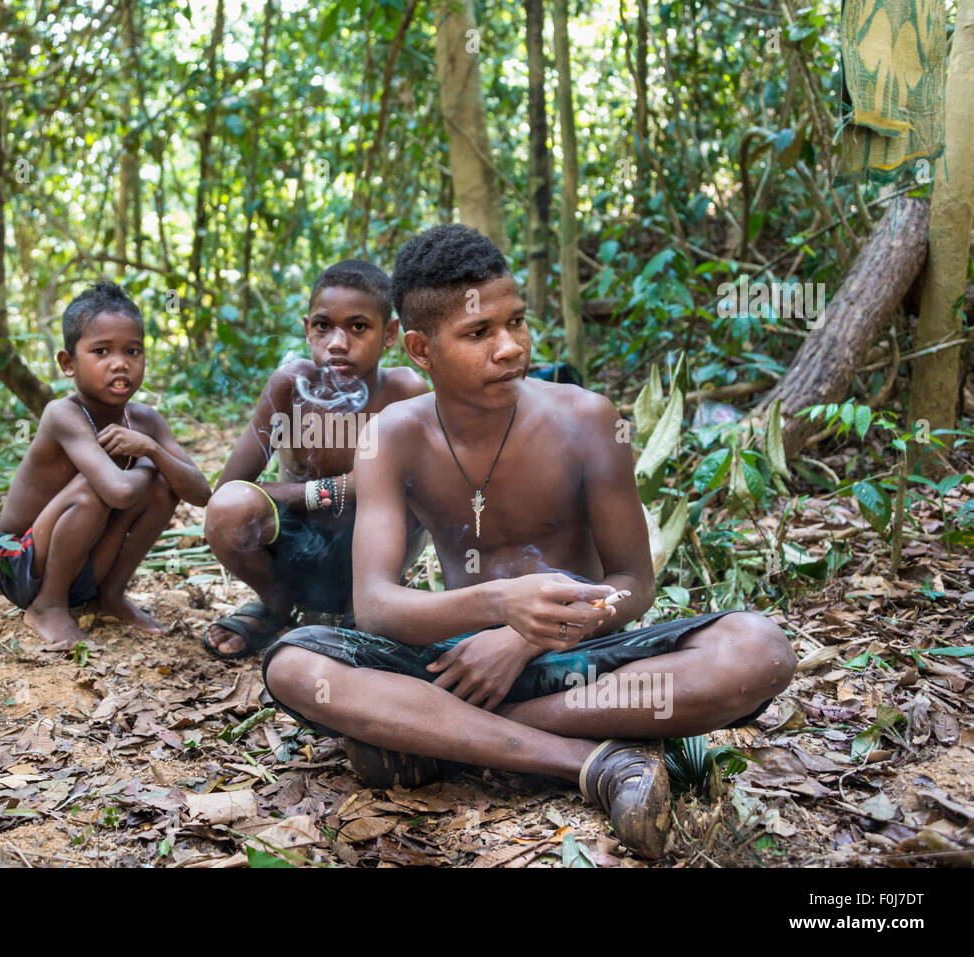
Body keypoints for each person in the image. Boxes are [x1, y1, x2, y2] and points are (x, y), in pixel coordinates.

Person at [261, 225, 796, 858]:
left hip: (585, 668)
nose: (511, 347)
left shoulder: (588, 420)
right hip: (455, 669)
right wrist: (499, 607)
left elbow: (633, 584)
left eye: (517, 322)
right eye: (478, 333)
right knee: (294, 665)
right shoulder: (392, 437)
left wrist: (524, 636)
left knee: (757, 650)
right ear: (420, 349)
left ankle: (439, 739)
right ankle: (587, 762)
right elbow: (376, 606)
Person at [202, 259, 429, 659]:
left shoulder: (405, 391)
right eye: (324, 326)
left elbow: (409, 484)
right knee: (229, 509)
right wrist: (331, 490)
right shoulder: (290, 386)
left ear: (389, 333)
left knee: (416, 491)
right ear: (307, 328)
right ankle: (276, 602)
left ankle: (366, 610)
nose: (338, 343)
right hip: (294, 552)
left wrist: (295, 492)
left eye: (358, 327)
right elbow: (228, 490)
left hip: (374, 556)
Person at [0, 280, 211, 648]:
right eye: (101, 351)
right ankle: (47, 606)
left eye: (132, 351)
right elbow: (119, 491)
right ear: (68, 363)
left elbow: (201, 493)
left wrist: (154, 451)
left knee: (163, 487)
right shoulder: (63, 414)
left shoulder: (145, 420)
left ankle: (108, 596)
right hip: (21, 562)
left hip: (84, 565)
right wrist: (147, 458)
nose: (120, 364)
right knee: (97, 489)